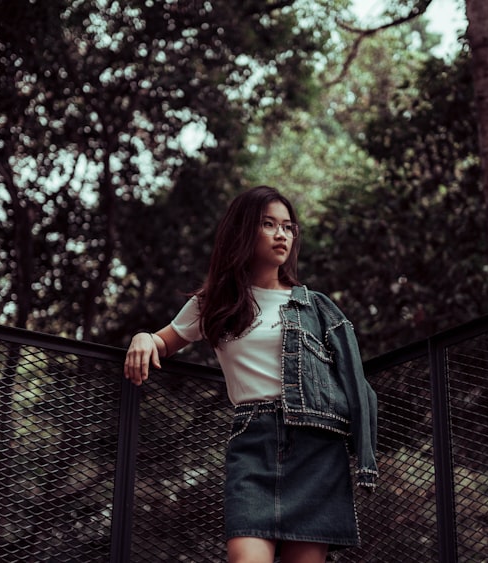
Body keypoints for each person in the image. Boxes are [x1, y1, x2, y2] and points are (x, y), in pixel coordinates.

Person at [123, 185, 378, 563]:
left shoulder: (316, 306)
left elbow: (355, 383)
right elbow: (163, 342)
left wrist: (364, 455)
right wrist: (143, 338)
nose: (282, 235)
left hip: (317, 449)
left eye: (288, 227)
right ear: (244, 230)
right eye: (268, 224)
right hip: (254, 444)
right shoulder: (214, 303)